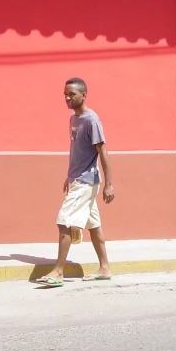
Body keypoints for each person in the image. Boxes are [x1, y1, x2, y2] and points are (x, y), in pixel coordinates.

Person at [36, 77, 115, 287]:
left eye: (72, 94)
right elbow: (79, 153)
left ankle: (58, 272)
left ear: (83, 95)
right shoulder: (74, 119)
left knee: (65, 221)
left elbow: (102, 152)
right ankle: (105, 268)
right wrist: (69, 175)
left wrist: (109, 184)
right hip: (77, 178)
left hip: (86, 181)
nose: (68, 98)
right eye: (65, 94)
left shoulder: (92, 120)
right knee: (94, 225)